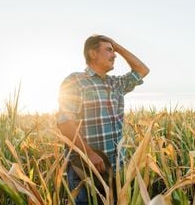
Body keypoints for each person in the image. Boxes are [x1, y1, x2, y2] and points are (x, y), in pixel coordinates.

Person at [57, 35, 150, 205]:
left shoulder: (116, 84)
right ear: (93, 53)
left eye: (114, 51)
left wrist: (117, 46)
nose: (114, 55)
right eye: (109, 50)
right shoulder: (76, 81)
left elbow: (142, 70)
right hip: (86, 170)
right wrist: (89, 153)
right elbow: (65, 123)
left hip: (115, 169)